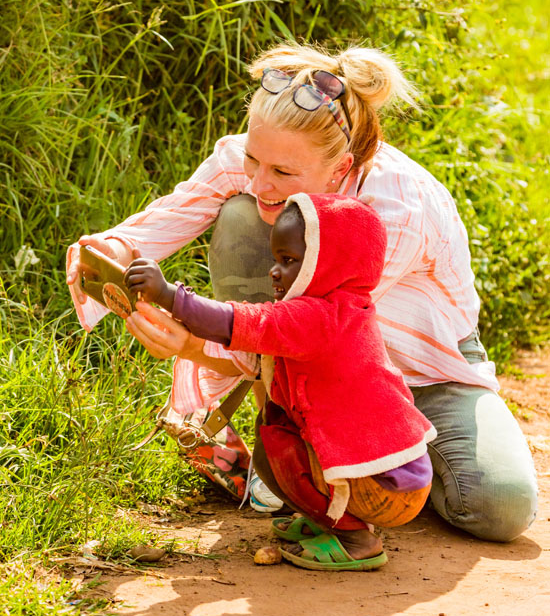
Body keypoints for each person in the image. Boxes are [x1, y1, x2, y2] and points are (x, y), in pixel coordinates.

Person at [66, 42, 538, 542]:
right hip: (323, 371)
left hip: (426, 369)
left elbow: (312, 334)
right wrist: (112, 251)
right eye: (253, 160)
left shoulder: (393, 211)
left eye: (283, 173)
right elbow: (167, 218)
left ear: (341, 168)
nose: (262, 180)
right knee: (241, 214)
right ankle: (313, 453)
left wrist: (189, 345)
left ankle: (384, 475)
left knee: (498, 507)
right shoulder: (262, 159)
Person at [124, 193, 436, 570]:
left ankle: (357, 539)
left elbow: (237, 322)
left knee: (275, 438)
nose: (274, 271)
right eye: (277, 259)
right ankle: (330, 518)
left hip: (385, 485)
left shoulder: (320, 316)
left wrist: (168, 295)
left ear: (330, 265)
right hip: (393, 474)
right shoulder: (347, 308)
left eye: (289, 261)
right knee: (275, 426)